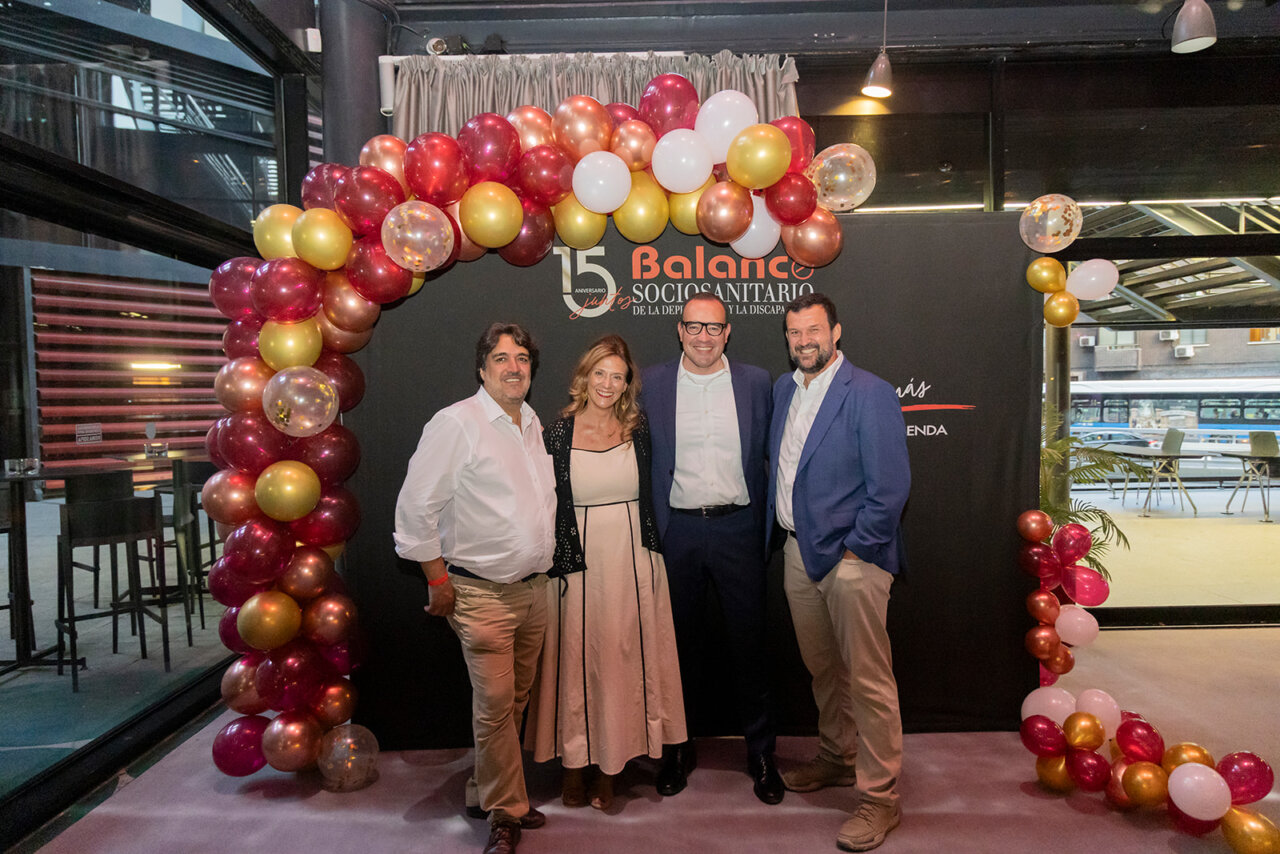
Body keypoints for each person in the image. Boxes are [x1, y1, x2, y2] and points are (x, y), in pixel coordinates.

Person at [393, 322, 556, 854]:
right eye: (501, 358)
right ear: (482, 370)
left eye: (522, 358)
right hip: (480, 594)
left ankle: (484, 787)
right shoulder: (457, 423)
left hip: (533, 591)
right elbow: (415, 509)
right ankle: (505, 813)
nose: (514, 367)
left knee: (514, 703)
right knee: (496, 705)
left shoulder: (531, 422)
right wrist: (437, 579)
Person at [765, 293, 911, 853]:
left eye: (814, 331)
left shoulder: (869, 393)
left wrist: (857, 553)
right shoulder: (785, 390)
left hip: (853, 560)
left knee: (868, 680)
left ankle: (880, 797)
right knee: (823, 669)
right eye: (795, 333)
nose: (804, 341)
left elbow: (890, 488)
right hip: (798, 552)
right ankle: (837, 756)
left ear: (836, 332)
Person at [525, 334, 686, 812]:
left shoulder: (639, 428)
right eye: (600, 373)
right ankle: (574, 764)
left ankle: (610, 768)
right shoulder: (556, 433)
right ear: (584, 376)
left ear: (627, 383)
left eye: (618, 376)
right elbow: (543, 504)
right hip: (577, 564)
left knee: (621, 663)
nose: (608, 384)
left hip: (633, 561)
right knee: (576, 662)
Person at [638, 292, 783, 805]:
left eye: (714, 327)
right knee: (677, 649)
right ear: (680, 330)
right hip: (676, 530)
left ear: (728, 332)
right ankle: (678, 750)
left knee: (751, 645)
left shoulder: (756, 382)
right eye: (694, 327)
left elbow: (771, 454)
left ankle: (761, 753)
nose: (704, 336)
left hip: (738, 529)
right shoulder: (651, 383)